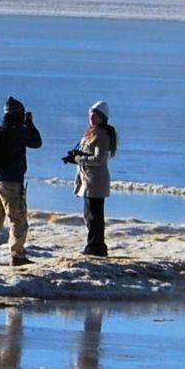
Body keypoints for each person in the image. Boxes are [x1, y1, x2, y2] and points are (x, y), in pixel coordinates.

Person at [0, 95, 43, 265]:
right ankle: (18, 255)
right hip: (11, 182)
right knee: (18, 220)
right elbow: (36, 142)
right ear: (18, 114)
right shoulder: (18, 130)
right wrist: (29, 123)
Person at [65, 101, 118, 257]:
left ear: (102, 117)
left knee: (94, 216)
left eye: (95, 116)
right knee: (90, 215)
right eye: (90, 116)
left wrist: (78, 159)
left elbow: (98, 159)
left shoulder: (102, 135)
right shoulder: (92, 132)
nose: (92, 118)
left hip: (95, 181)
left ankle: (95, 247)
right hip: (89, 180)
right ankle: (95, 245)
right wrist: (75, 156)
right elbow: (86, 153)